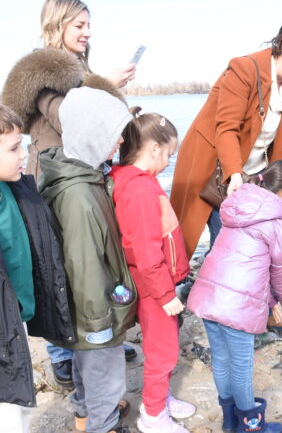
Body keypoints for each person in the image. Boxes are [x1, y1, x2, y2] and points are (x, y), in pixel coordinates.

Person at [1, 0, 138, 387]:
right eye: (79, 25)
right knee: (58, 260)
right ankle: (63, 351)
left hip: (79, 172)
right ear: (56, 25)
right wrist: (106, 85)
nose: (87, 32)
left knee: (91, 259)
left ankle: (97, 338)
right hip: (55, 176)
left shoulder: (77, 69)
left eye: (89, 25)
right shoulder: (43, 72)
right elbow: (70, 121)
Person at [170, 20, 282, 257]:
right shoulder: (244, 69)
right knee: (219, 238)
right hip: (213, 166)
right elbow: (227, 127)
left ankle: (219, 274)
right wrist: (234, 174)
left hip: (251, 174)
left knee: (244, 240)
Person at [0, 103, 74, 433]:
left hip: (16, 327)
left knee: (22, 412)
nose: (25, 154)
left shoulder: (18, 192)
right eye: (14, 148)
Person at [39, 87, 138, 433]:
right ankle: (103, 424)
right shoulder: (79, 195)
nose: (121, 142)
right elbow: (84, 264)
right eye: (113, 134)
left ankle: (85, 412)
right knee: (104, 373)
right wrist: (99, 323)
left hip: (82, 307)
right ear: (92, 135)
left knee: (85, 362)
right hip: (93, 308)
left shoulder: (80, 174)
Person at [186, 160, 282, 433]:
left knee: (221, 359)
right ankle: (252, 426)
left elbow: (250, 265)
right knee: (241, 366)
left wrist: (271, 302)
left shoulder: (238, 208)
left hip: (209, 295)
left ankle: (230, 421)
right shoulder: (281, 225)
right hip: (237, 305)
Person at [110, 108, 196, 433]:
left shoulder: (139, 181)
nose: (170, 161)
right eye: (169, 153)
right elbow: (147, 252)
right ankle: (154, 416)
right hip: (153, 287)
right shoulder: (141, 189)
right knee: (163, 351)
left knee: (164, 346)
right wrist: (164, 294)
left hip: (154, 283)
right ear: (154, 148)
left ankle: (159, 398)